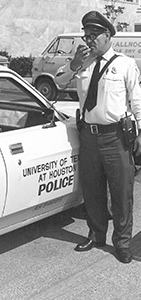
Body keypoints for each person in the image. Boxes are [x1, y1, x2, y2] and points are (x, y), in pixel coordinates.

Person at [55, 10, 141, 263]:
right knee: (92, 190)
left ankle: (123, 243)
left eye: (94, 35)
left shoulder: (124, 64)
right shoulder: (83, 63)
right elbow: (59, 81)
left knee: (121, 192)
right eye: (86, 35)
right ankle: (96, 234)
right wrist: (73, 65)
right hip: (89, 136)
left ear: (107, 35)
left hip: (116, 136)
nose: (89, 40)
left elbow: (136, 100)